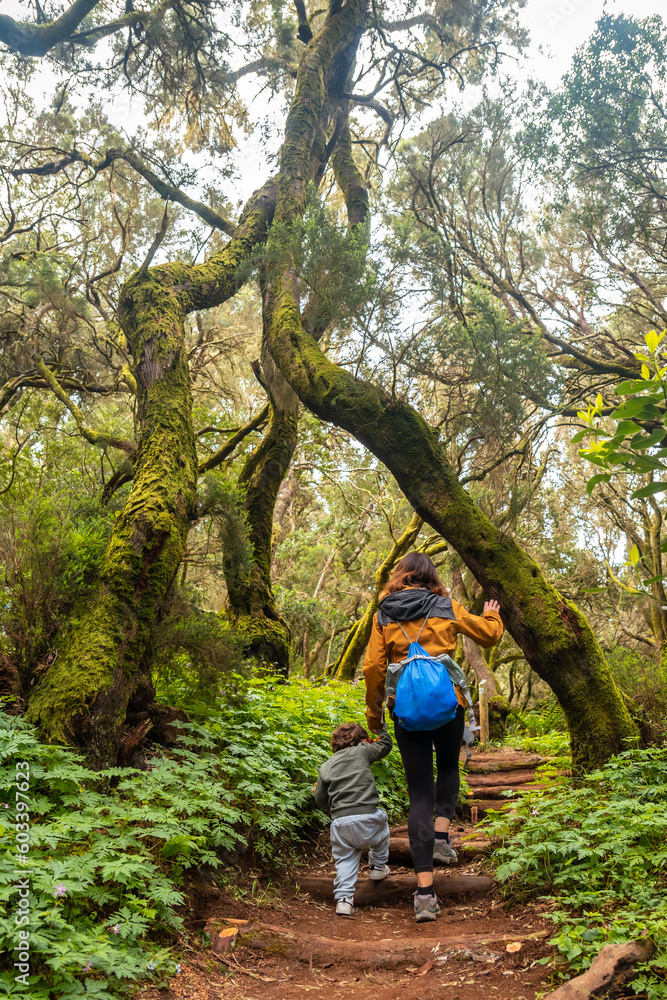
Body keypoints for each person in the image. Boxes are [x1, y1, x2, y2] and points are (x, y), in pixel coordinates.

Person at [362, 551, 503, 923]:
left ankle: (424, 894)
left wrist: (374, 716)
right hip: (448, 705)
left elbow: (374, 667)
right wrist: (492, 614)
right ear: (430, 577)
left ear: (401, 576)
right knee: (449, 769)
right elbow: (488, 636)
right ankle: (442, 837)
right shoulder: (446, 605)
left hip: (405, 710)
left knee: (419, 794)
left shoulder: (383, 614)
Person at [313, 721, 393, 916]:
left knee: (345, 859)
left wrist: (316, 791)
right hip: (369, 820)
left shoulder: (326, 766)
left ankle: (343, 900)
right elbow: (386, 745)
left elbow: (321, 801)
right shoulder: (362, 750)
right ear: (362, 740)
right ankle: (377, 866)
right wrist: (380, 729)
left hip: (341, 824)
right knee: (382, 822)